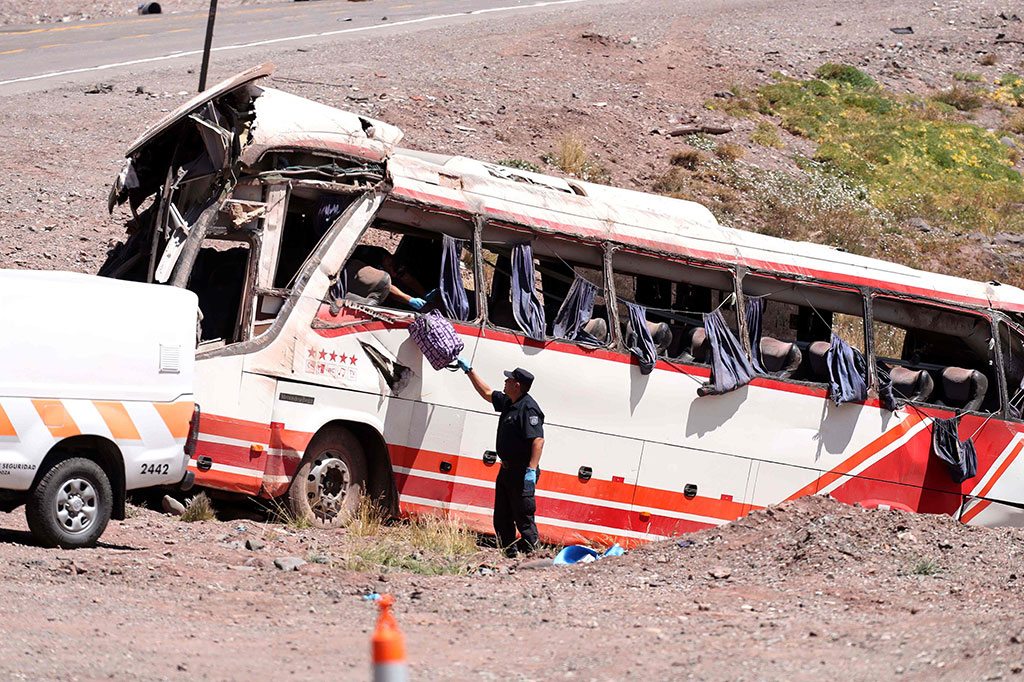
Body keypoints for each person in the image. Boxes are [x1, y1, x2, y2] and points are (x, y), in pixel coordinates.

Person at [456, 360, 544, 556]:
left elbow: (538, 440)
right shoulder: (509, 402)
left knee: (523, 518)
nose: (504, 381)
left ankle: (537, 557)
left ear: (517, 385)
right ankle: (510, 555)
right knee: (502, 517)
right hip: (506, 471)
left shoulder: (528, 408)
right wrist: (470, 371)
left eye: (508, 379)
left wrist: (531, 470)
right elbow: (487, 393)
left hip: (521, 472)